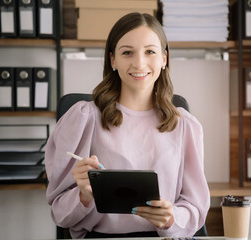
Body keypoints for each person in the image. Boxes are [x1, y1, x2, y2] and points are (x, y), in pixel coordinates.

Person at [45, 12, 210, 239]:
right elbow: (60, 215)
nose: (139, 63)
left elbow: (195, 208)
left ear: (164, 59)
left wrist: (172, 217)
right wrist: (83, 195)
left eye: (150, 51)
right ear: (113, 60)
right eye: (127, 52)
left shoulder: (184, 126)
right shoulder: (83, 119)